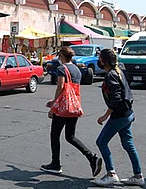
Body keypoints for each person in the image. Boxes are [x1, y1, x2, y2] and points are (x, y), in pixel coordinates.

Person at [41, 46, 102, 176]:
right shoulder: (76, 70)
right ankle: (92, 158)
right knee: (71, 136)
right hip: (74, 106)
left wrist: (53, 104)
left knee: (54, 135)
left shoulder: (62, 69)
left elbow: (61, 87)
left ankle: (55, 164)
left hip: (63, 108)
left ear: (62, 56)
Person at [95, 49, 144, 186]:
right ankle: (138, 176)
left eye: (100, 59)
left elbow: (116, 98)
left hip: (119, 116)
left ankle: (111, 173)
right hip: (127, 113)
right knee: (128, 144)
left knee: (101, 142)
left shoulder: (111, 75)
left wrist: (104, 117)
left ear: (104, 61)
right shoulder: (118, 72)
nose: (98, 61)